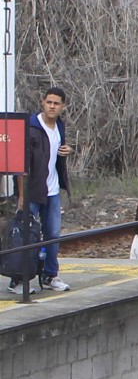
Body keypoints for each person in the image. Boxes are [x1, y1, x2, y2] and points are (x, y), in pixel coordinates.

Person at [21, 86, 74, 292]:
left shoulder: (59, 126)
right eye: (49, 102)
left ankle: (50, 275)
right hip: (33, 191)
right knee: (27, 235)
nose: (52, 106)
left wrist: (68, 150)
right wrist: (22, 195)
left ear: (63, 106)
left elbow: (56, 152)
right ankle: (19, 278)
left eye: (56, 103)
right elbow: (22, 163)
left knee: (52, 234)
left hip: (52, 191)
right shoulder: (32, 126)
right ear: (43, 102)